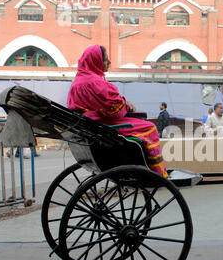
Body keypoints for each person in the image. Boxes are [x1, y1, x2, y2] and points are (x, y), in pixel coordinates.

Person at [67, 45, 167, 177]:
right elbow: (114, 109)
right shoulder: (94, 82)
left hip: (90, 126)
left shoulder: (79, 81)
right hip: (102, 126)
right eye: (106, 60)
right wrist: (125, 104)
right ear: (95, 61)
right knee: (150, 128)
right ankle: (157, 173)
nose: (109, 62)